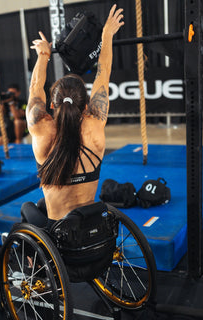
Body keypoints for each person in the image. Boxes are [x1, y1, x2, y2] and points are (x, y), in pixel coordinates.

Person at [21, 4, 124, 229]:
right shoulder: (95, 123)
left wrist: (43, 55)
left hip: (59, 237)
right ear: (86, 105)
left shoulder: (40, 127)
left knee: (28, 208)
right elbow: (103, 72)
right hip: (90, 231)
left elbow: (35, 88)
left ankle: (29, 260)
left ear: (51, 105)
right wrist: (107, 35)